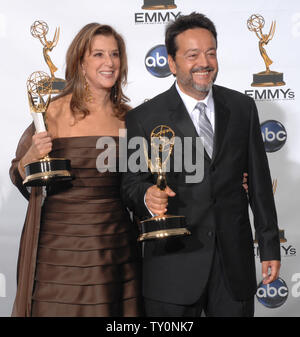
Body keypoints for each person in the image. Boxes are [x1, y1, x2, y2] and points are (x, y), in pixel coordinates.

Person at [121, 12, 281, 317]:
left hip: (233, 266)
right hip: (172, 267)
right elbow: (130, 183)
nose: (204, 62)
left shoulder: (242, 108)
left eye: (211, 52)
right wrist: (147, 197)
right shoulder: (143, 118)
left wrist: (270, 245)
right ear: (171, 63)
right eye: (192, 54)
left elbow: (259, 183)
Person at [10, 23, 142, 317]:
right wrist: (30, 156)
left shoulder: (131, 119)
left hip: (115, 246)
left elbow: (141, 185)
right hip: (60, 247)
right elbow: (18, 176)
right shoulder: (53, 112)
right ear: (80, 61)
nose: (109, 62)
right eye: (98, 54)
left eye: (115, 54)